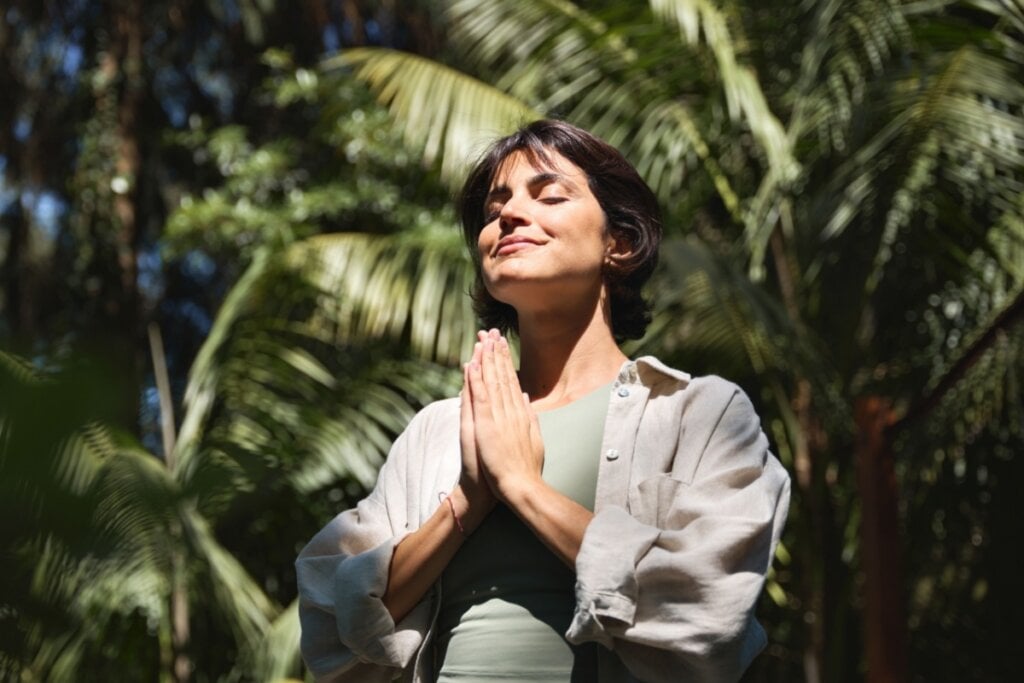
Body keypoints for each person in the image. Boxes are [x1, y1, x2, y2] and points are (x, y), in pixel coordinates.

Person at [295, 119, 791, 682]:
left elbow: (708, 604)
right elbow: (333, 618)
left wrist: (522, 486)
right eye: (493, 208)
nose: (506, 215)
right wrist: (468, 498)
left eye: (550, 195)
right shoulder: (439, 430)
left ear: (619, 242)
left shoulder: (698, 414)